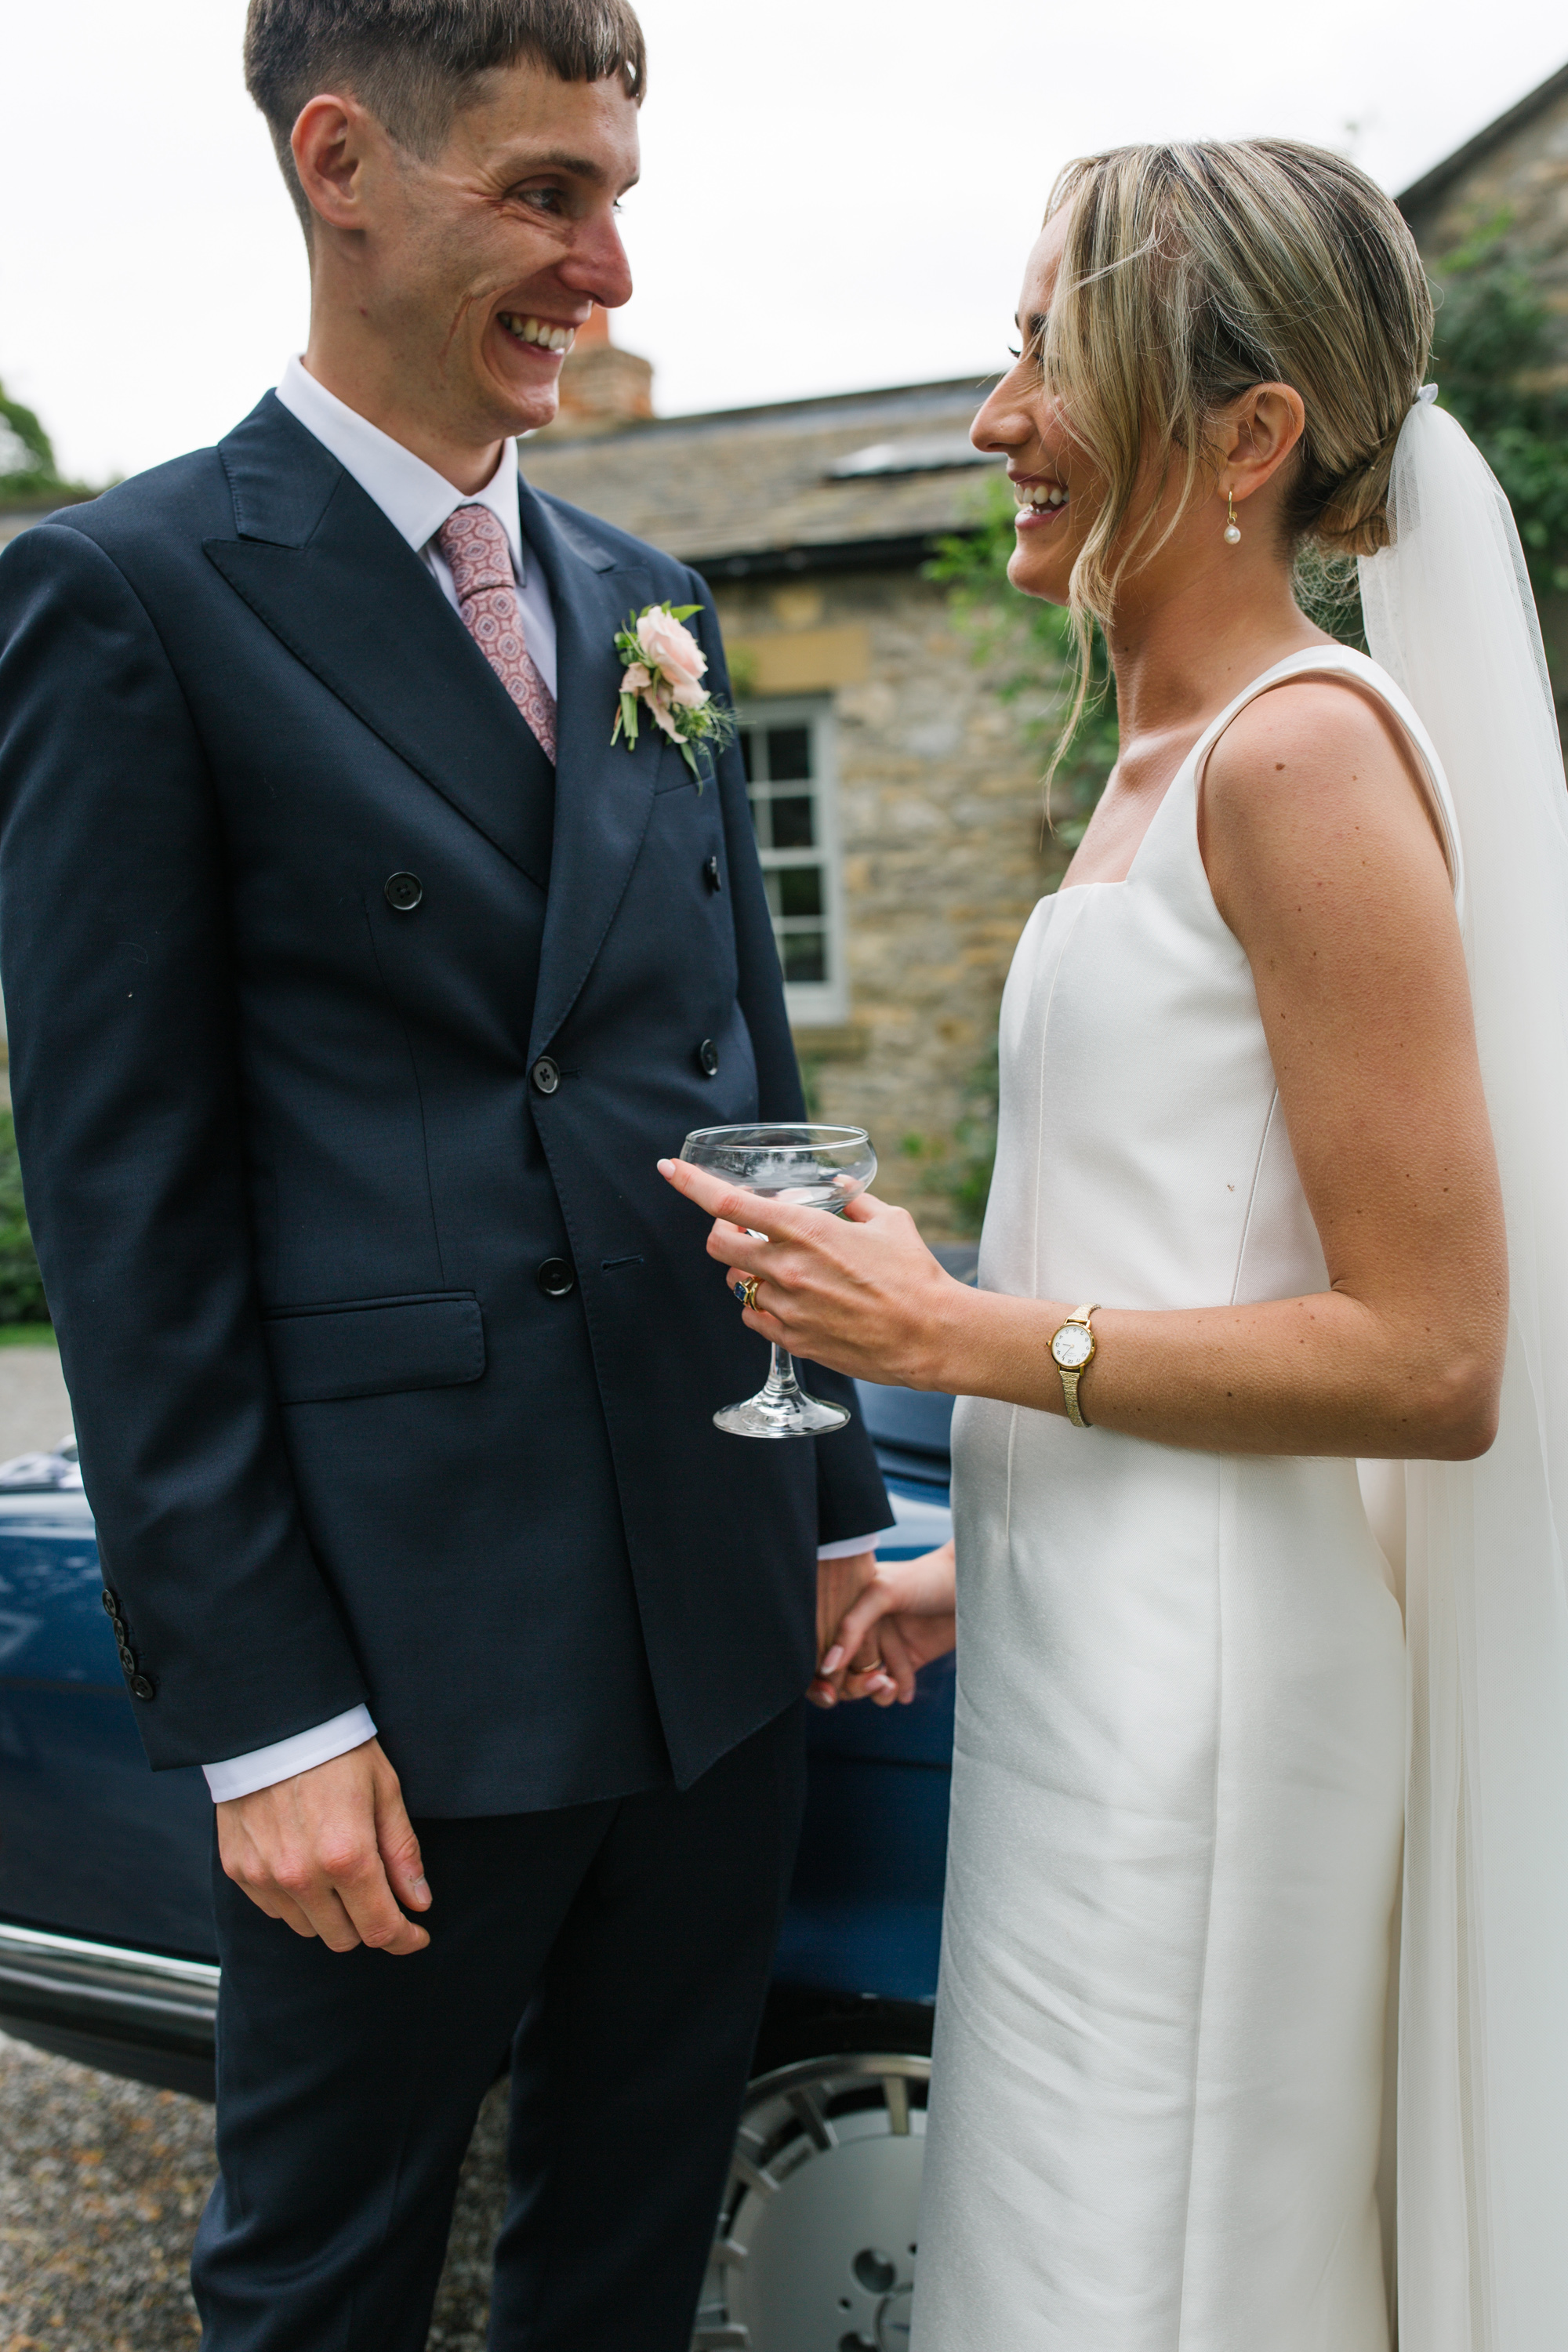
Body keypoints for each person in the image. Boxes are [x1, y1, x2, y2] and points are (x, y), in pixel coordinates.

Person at [0, 3, 890, 2344]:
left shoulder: (648, 594)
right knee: (325, 2282)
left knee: (625, 2258)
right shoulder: (132, 596)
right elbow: (128, 1212)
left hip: (712, 1624)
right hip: (404, 1664)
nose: (604, 268)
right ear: (340, 164)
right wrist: (268, 1723)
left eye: (618, 194)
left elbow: (740, 1070)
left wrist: (823, 1527)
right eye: (546, 193)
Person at [666, 139, 1568, 2348]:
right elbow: (1197, 1265)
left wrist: (950, 1332)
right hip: (1091, 1674)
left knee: (1152, 2285)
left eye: (1046, 353)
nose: (996, 418)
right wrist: (968, 1573)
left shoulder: (1305, 761)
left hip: (1216, 1729)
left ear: (1252, 436)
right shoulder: (1156, 752)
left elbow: (1436, 1361)